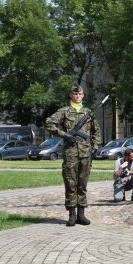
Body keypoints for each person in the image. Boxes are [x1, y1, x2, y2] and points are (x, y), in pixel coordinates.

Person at [46, 84, 101, 227]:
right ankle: (71, 215)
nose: (77, 96)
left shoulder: (88, 112)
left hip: (85, 153)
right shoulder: (64, 111)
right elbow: (49, 123)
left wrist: (94, 147)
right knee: (70, 184)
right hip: (70, 152)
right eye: (75, 94)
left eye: (80, 94)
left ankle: (81, 215)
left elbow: (96, 131)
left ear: (83, 96)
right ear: (71, 95)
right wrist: (65, 135)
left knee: (82, 184)